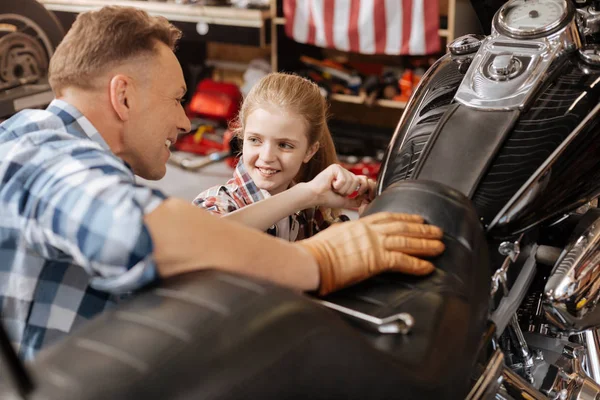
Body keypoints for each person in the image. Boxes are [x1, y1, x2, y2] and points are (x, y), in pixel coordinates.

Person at [0, 6, 445, 361]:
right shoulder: (34, 149)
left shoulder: (58, 149)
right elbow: (139, 232)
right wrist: (318, 261)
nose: (185, 119)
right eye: (176, 98)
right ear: (124, 95)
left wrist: (310, 200)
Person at [193, 72, 375, 241]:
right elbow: (206, 240)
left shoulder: (309, 214)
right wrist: (307, 194)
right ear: (242, 138)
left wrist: (369, 217)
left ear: (310, 151)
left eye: (284, 145)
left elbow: (349, 260)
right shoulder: (216, 202)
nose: (266, 156)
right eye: (255, 140)